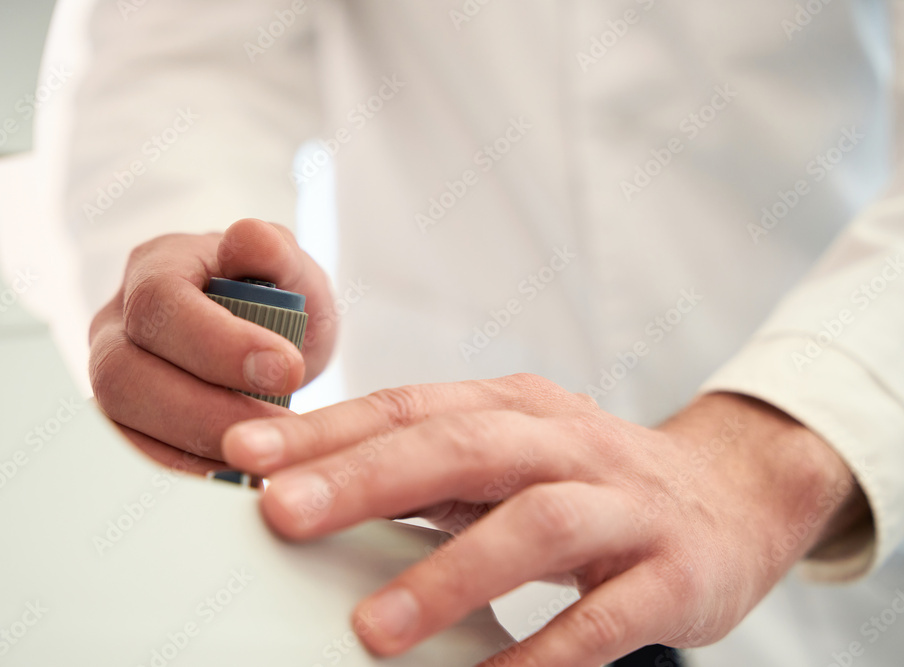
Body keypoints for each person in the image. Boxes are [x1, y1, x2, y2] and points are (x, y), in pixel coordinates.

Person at [65, 1, 904, 665]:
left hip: (835, 527)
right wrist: (205, 273)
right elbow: (190, 58)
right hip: (432, 538)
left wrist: (770, 461)